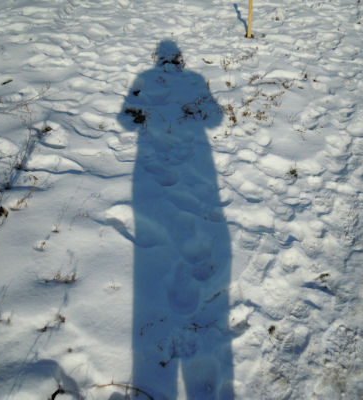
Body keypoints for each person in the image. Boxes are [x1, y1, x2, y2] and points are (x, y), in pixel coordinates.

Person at [118, 40, 234, 400]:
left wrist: (141, 112)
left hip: (156, 157)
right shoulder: (195, 79)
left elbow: (124, 119)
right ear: (177, 61)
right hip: (195, 159)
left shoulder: (144, 77)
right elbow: (214, 118)